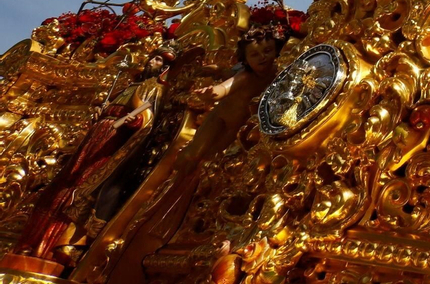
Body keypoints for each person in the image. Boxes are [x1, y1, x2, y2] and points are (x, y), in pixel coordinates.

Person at [103, 24, 293, 284]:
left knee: (210, 165)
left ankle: (186, 200)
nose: (262, 57)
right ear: (246, 59)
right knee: (191, 156)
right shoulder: (247, 75)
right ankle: (168, 196)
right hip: (219, 118)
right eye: (255, 54)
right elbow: (227, 86)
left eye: (267, 51)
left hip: (237, 127)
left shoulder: (277, 72)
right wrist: (211, 91)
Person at [10, 48, 175, 266]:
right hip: (99, 132)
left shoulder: (154, 88)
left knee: (80, 185)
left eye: (158, 60)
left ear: (163, 68)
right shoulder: (129, 86)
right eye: (152, 57)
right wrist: (102, 113)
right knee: (64, 181)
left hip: (113, 139)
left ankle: (53, 246)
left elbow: (147, 119)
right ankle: (31, 241)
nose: (152, 62)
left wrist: (134, 121)